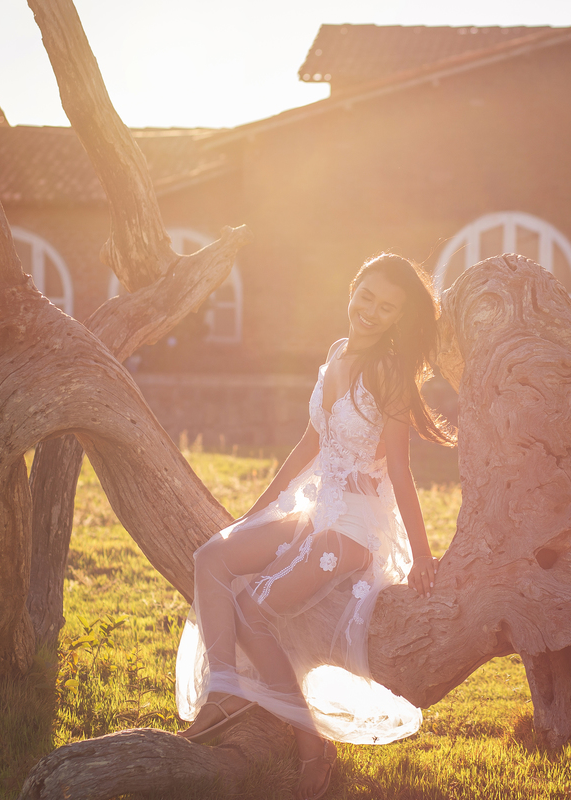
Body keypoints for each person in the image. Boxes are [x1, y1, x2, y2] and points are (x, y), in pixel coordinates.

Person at [175, 253, 456, 800]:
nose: (371, 311)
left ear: (400, 317)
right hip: (315, 507)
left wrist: (423, 555)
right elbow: (311, 442)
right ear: (352, 288)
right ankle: (225, 691)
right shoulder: (338, 354)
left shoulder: (390, 375)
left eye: (387, 307)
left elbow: (399, 468)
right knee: (211, 558)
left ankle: (312, 747)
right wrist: (256, 511)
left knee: (252, 607)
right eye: (367, 296)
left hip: (354, 525)